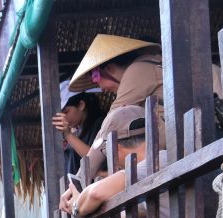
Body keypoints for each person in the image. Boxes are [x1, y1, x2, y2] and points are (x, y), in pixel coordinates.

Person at [67, 34, 164, 180]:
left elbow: (110, 125)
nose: (100, 88)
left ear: (110, 68)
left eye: (96, 78)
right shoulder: (149, 64)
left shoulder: (137, 70)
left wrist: (81, 178)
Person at [52, 92, 106, 176]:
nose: (64, 118)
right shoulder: (76, 131)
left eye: (66, 112)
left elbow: (94, 159)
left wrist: (68, 135)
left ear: (81, 105)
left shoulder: (101, 124)